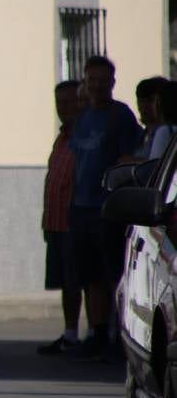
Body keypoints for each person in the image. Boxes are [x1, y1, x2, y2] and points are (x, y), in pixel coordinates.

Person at [68, 55, 141, 359]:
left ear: (112, 82)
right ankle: (96, 332)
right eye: (91, 80)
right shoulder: (82, 117)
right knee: (89, 276)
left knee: (113, 273)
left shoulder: (120, 116)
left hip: (107, 207)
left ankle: (117, 333)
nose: (96, 85)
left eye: (102, 80)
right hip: (81, 206)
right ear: (85, 82)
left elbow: (129, 159)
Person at [37, 79, 83, 355]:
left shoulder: (84, 136)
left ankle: (94, 333)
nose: (63, 108)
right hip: (56, 221)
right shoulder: (61, 137)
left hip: (75, 220)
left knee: (82, 279)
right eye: (59, 103)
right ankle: (70, 334)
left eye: (69, 102)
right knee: (67, 281)